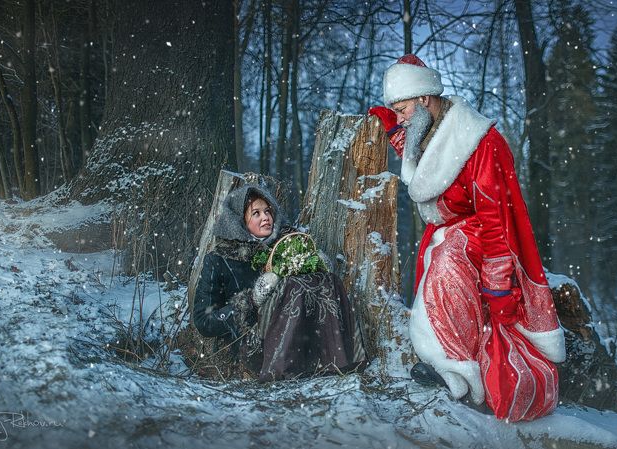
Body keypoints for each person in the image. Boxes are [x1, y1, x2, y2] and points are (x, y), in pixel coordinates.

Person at [368, 54, 566, 421]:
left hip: (482, 237)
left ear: (425, 99)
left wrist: (498, 284)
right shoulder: (427, 124)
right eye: (394, 111)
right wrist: (392, 127)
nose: (399, 118)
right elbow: (422, 159)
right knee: (438, 260)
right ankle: (445, 362)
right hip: (450, 231)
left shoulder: (477, 141)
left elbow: (495, 219)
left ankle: (461, 373)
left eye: (402, 108)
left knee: (446, 267)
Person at [193, 184, 366, 381]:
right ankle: (281, 370)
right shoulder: (220, 259)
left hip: (303, 339)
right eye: (256, 213)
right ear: (239, 221)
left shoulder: (288, 245)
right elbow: (203, 321)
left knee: (327, 280)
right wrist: (251, 301)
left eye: (268, 211)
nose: (266, 217)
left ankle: (338, 361)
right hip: (254, 346)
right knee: (290, 286)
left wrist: (316, 266)